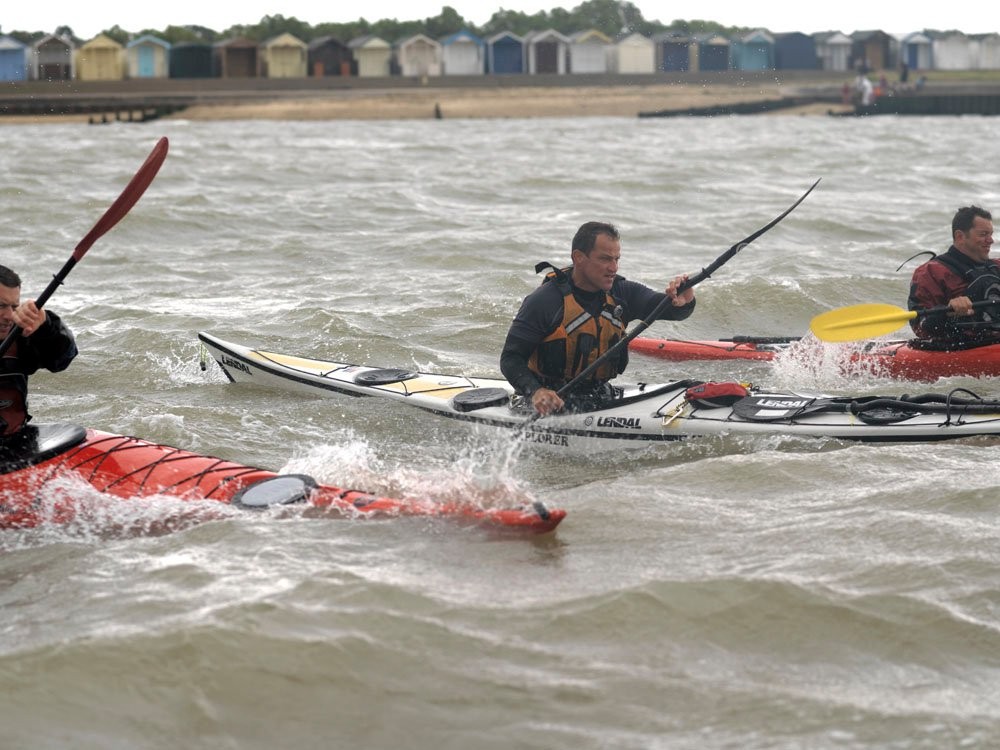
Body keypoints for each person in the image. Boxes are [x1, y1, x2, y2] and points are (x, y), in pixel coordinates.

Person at [500, 221, 695, 415]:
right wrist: (535, 391)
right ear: (578, 257)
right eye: (605, 259)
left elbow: (673, 310)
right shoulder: (545, 301)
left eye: (616, 259)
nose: (613, 267)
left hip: (598, 395)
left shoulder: (623, 294)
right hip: (550, 401)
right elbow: (510, 358)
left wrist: (684, 300)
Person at [0, 265, 77, 437]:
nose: (8, 316)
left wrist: (45, 324)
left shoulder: (20, 335)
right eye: (0, 306)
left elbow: (61, 360)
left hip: (13, 438)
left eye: (14, 307)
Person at [907, 206, 1000, 347]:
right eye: (983, 234)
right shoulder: (931, 272)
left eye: (990, 234)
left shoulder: (996, 267)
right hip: (958, 349)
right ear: (960, 236)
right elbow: (921, 327)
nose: (990, 240)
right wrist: (948, 312)